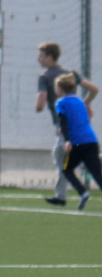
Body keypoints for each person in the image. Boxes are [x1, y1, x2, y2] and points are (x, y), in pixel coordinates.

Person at [35, 41, 98, 205]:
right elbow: (94, 89)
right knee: (70, 156)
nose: (38, 59)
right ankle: (63, 193)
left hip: (64, 127)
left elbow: (40, 104)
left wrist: (37, 106)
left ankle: (61, 196)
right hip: (82, 126)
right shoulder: (71, 74)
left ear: (50, 57)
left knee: (61, 157)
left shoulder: (45, 77)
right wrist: (84, 104)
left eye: (41, 56)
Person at [54, 72, 101, 209]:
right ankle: (84, 193)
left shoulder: (61, 102)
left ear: (60, 89)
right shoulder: (80, 101)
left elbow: (63, 122)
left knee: (66, 169)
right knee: (96, 173)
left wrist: (67, 140)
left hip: (77, 143)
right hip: (91, 140)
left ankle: (83, 192)